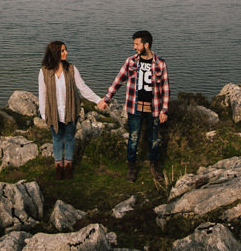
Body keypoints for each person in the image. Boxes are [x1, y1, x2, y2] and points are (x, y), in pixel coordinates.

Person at [97, 30, 170, 182]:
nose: (135, 47)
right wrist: (106, 99)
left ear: (146, 44)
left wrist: (164, 110)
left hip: (154, 109)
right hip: (134, 108)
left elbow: (165, 89)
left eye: (137, 44)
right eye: (134, 44)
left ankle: (154, 167)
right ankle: (132, 166)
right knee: (134, 138)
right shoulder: (131, 61)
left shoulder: (160, 64)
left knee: (154, 139)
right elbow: (118, 80)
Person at [38, 40, 102, 179]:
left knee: (69, 137)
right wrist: (43, 113)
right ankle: (58, 166)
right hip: (53, 112)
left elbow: (82, 88)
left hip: (70, 111)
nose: (66, 53)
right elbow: (42, 93)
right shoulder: (44, 71)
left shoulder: (71, 69)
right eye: (62, 50)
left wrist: (98, 100)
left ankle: (68, 166)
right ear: (54, 53)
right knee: (56, 139)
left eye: (65, 50)